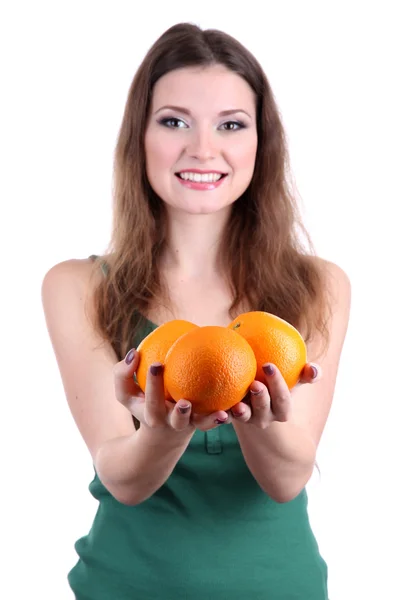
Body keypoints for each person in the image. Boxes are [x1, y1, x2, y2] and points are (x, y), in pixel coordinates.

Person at [41, 21, 351, 600]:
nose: (203, 149)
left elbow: (287, 478)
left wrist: (261, 426)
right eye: (175, 121)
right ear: (140, 135)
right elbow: (121, 478)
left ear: (262, 142)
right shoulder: (78, 286)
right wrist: (160, 433)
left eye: (231, 125)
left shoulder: (319, 285)